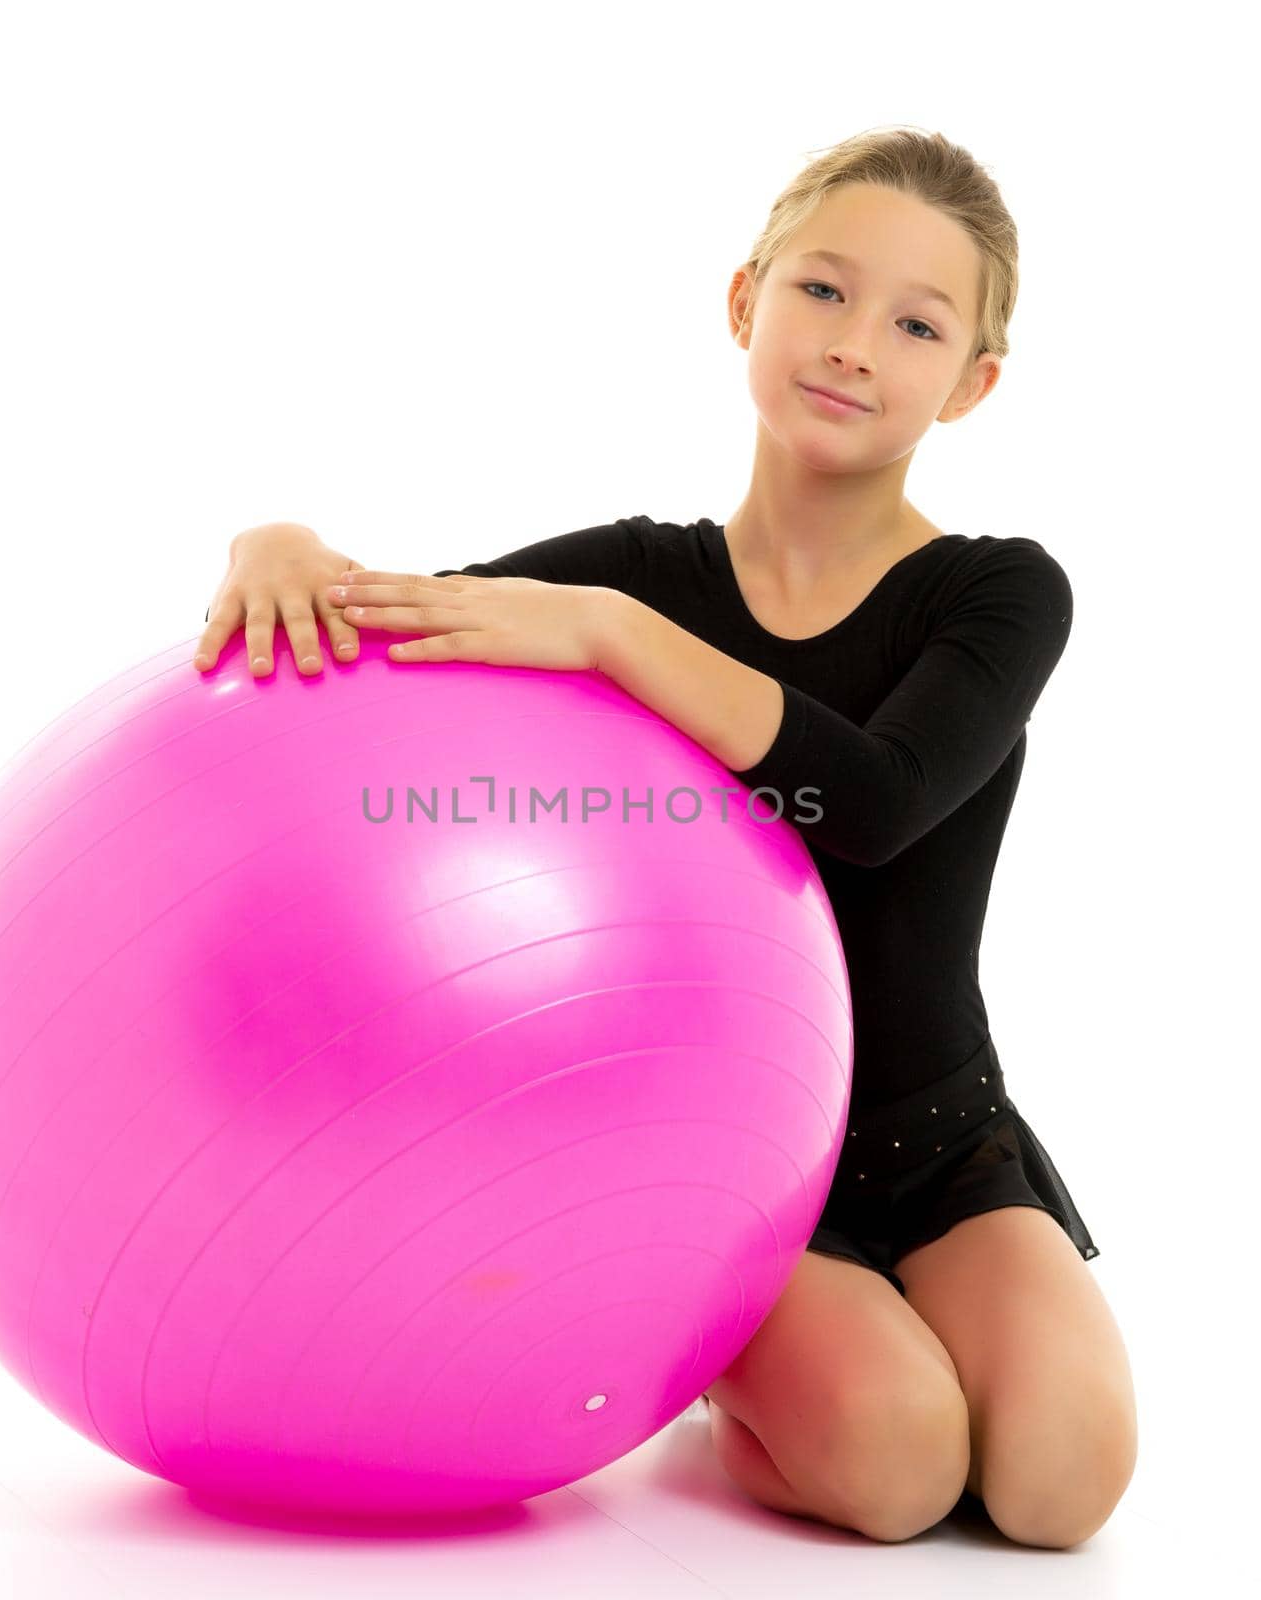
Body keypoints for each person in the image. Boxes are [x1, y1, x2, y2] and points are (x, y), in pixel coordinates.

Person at [194, 127, 1136, 1550]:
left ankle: (857, 1335)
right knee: (893, 1470)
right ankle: (724, 1387)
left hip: (937, 1137)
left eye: (918, 322)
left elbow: (871, 805)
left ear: (974, 382)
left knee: (1061, 1485)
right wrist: (273, 541)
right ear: (745, 300)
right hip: (731, 1159)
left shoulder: (999, 594)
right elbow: (391, 628)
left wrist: (617, 643)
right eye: (823, 291)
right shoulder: (639, 575)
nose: (856, 345)